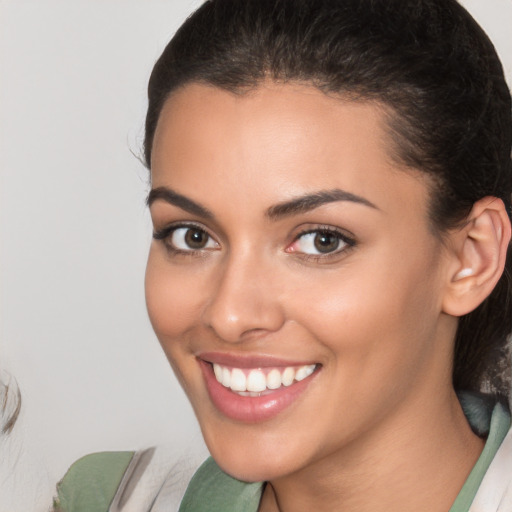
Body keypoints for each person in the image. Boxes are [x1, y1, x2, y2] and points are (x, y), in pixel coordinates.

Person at [52, 0, 512, 510]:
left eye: (321, 241)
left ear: (472, 258)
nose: (229, 315)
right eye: (191, 236)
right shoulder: (109, 499)